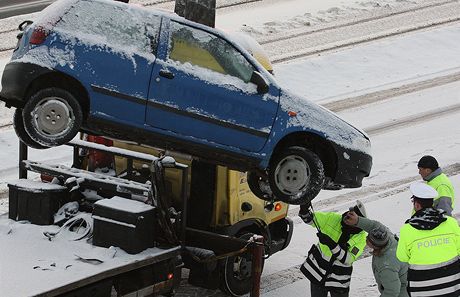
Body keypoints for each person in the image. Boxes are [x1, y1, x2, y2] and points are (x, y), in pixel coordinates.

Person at [397, 182, 460, 297]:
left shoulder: (407, 230)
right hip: (452, 287)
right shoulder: (451, 223)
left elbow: (402, 257)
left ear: (416, 205)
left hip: (421, 289)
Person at [298, 201, 368, 297]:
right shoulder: (334, 218)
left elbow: (348, 259)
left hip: (338, 281)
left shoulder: (361, 237)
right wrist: (304, 210)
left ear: (358, 221)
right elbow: (311, 219)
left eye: (351, 216)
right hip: (318, 274)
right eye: (349, 212)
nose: (347, 216)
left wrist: (330, 244)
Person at [344, 211, 409, 297]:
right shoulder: (386, 237)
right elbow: (373, 226)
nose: (366, 238)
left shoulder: (386, 265)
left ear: (375, 246)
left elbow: (392, 291)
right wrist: (357, 221)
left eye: (368, 240)